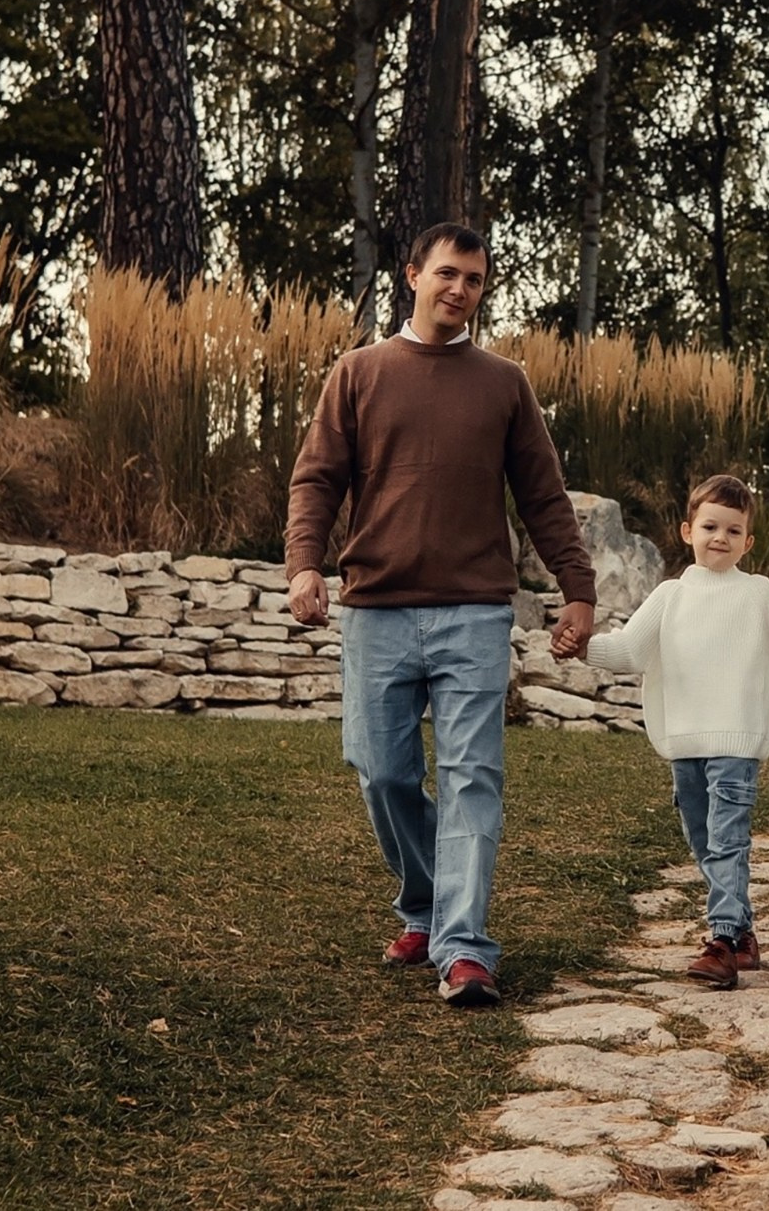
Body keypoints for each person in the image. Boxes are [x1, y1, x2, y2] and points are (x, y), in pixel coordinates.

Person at [283, 222, 597, 1009]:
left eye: (476, 281)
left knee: (472, 778)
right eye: (448, 275)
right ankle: (423, 901)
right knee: (381, 771)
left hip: (474, 612)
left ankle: (463, 948)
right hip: (377, 610)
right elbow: (316, 481)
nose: (460, 291)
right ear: (413, 274)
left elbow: (543, 498)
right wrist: (304, 567)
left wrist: (578, 589)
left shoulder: (504, 383)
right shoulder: (358, 373)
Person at [580, 475, 769, 989]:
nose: (720, 537)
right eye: (710, 526)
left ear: (748, 542)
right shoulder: (671, 596)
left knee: (727, 841)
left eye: (734, 530)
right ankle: (745, 935)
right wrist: (581, 647)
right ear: (687, 530)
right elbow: (628, 651)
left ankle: (723, 940)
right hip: (684, 745)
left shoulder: (760, 594)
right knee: (704, 842)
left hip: (736, 744)